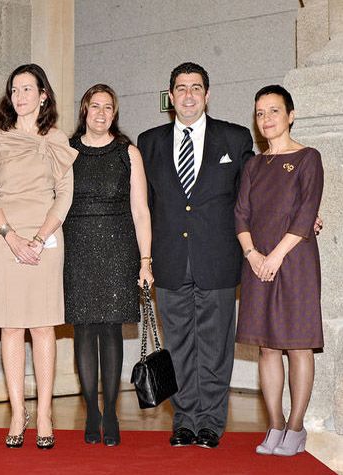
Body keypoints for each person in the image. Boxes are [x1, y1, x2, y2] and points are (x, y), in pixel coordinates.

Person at [137, 62, 254, 449]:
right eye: (181, 88)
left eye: (196, 88)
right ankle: (185, 420)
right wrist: (145, 260)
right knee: (179, 345)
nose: (188, 95)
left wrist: (302, 215)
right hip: (169, 262)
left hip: (218, 260)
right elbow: (143, 207)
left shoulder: (235, 139)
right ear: (170, 97)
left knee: (215, 347)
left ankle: (210, 423)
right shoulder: (149, 142)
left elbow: (256, 197)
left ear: (207, 93)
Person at [0, 63, 78, 450]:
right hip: (4, 237)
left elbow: (64, 195)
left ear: (43, 95)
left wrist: (38, 238)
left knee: (42, 326)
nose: (19, 96)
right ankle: (18, 412)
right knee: (11, 327)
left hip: (47, 236)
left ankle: (47, 413)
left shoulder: (56, 138)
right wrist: (12, 236)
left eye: (27, 89)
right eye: (14, 90)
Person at [235, 85, 323, 457]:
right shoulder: (253, 165)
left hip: (296, 260)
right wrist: (254, 255)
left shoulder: (308, 158)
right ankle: (274, 424)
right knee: (268, 348)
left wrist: (275, 256)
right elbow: (240, 214)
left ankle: (296, 427)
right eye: (259, 113)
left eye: (274, 111)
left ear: (290, 115)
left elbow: (306, 213)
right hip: (257, 263)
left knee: (298, 346)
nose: (266, 119)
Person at [64, 84, 153, 447]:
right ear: (84, 110)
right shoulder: (66, 151)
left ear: (114, 114)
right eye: (95, 106)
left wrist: (145, 262)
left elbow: (141, 211)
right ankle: (91, 410)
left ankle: (113, 410)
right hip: (77, 248)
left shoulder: (128, 153)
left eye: (108, 108)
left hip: (118, 249)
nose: (101, 113)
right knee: (84, 330)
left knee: (111, 331)